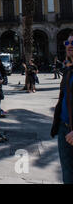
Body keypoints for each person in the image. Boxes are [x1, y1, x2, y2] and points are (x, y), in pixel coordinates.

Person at [51, 31, 73, 184]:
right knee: (67, 172)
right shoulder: (68, 70)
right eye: (67, 43)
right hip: (63, 128)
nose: (69, 46)